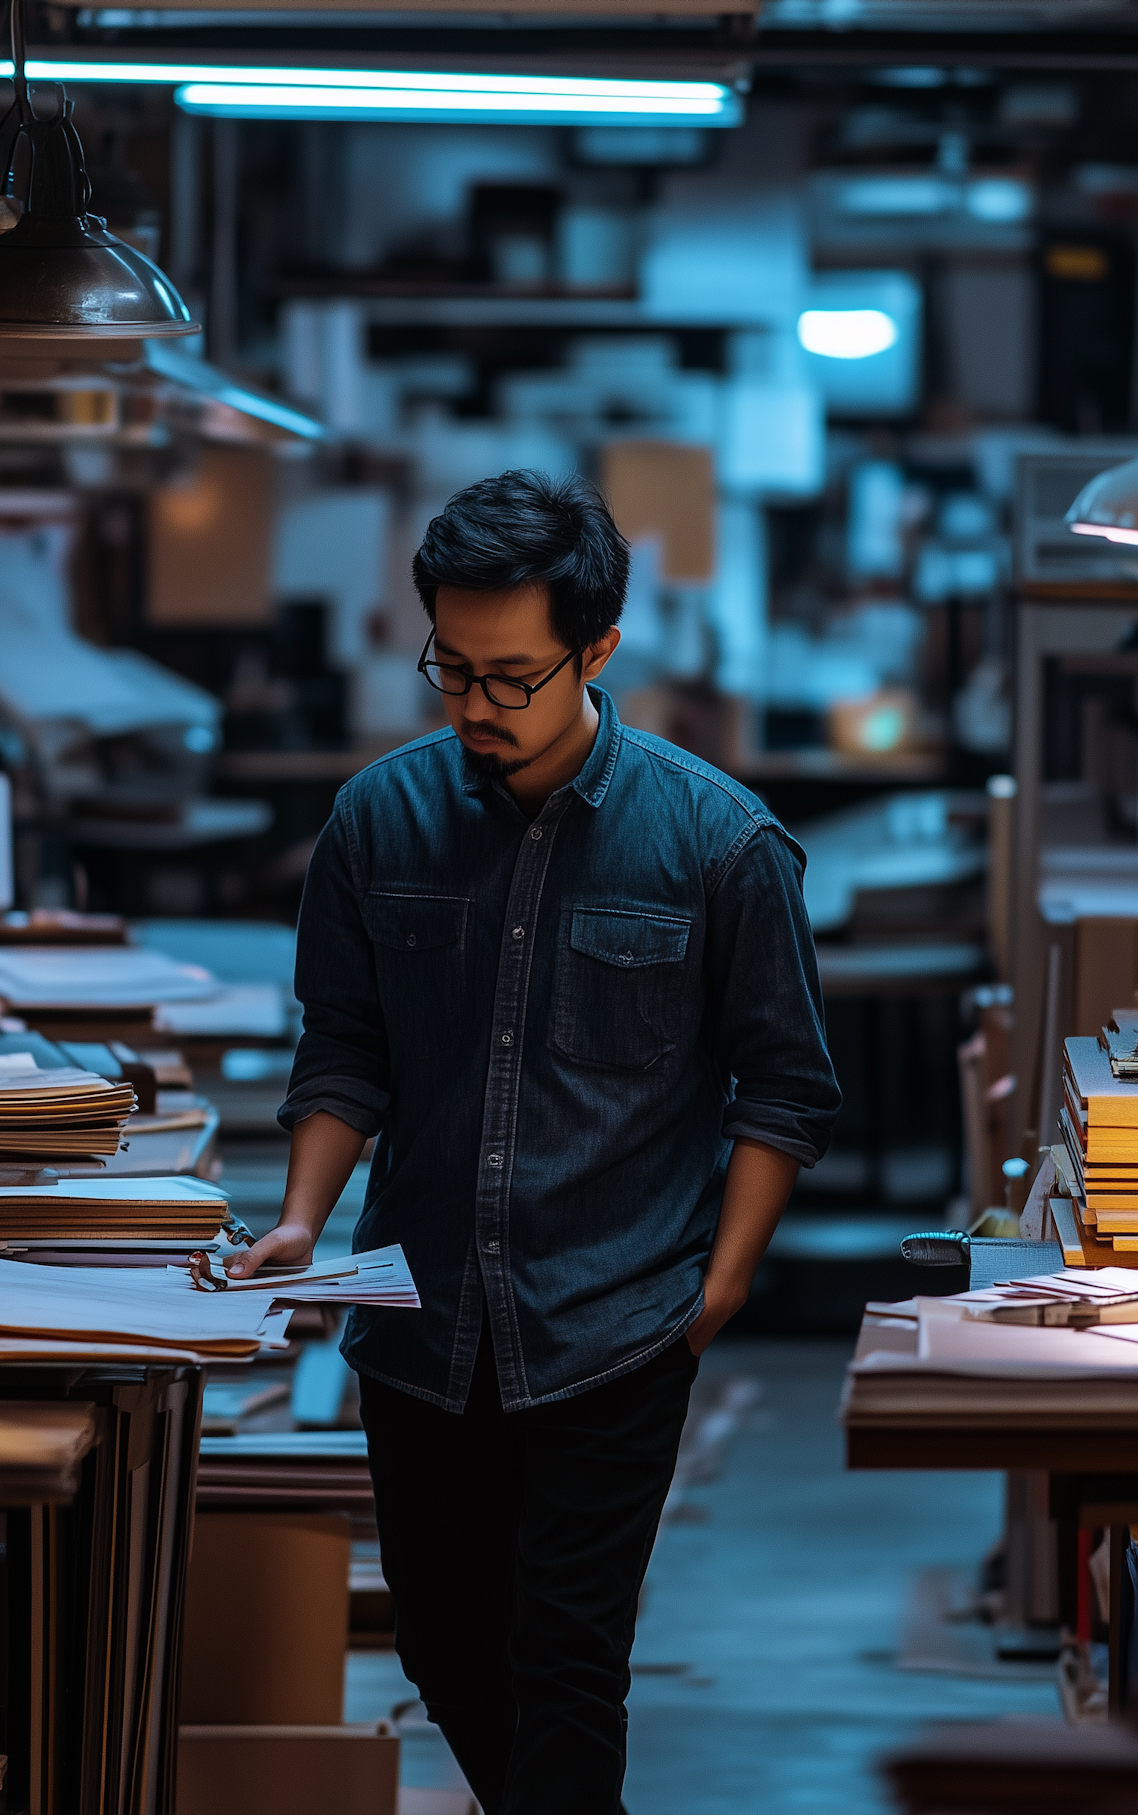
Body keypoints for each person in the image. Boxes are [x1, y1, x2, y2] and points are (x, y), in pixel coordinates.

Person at [226, 468, 841, 1815]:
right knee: (447, 1647)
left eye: (512, 678)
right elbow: (344, 1047)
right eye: (451, 671)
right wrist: (300, 1216)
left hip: (614, 1319)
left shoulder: (721, 842)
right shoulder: (377, 820)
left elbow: (784, 1086)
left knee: (566, 1663)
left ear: (598, 650)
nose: (475, 709)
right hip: (418, 1316)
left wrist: (720, 1284)